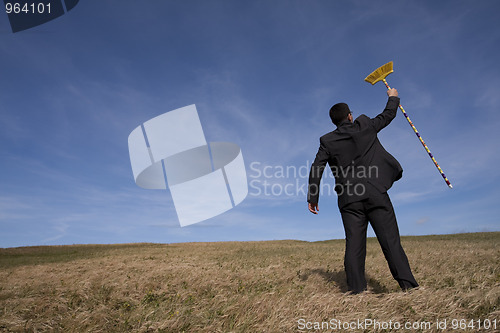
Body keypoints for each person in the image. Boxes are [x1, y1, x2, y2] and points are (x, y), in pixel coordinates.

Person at [307, 88, 418, 294]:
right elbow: (387, 115)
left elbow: (317, 167)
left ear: (334, 122)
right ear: (350, 115)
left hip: (349, 200)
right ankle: (409, 287)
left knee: (354, 246)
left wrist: (312, 197)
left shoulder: (327, 141)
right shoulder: (364, 125)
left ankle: (356, 291)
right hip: (375, 192)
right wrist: (392, 97)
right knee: (391, 242)